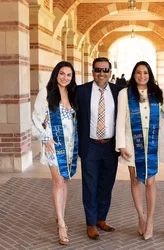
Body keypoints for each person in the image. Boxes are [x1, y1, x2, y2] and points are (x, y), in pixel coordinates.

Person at [116, 61, 164, 240]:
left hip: (152, 145)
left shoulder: (157, 92)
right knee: (135, 181)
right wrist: (121, 145)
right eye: (138, 72)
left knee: (151, 182)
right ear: (134, 75)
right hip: (132, 144)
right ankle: (141, 217)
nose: (142, 76)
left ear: (150, 75)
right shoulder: (125, 93)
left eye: (145, 72)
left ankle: (150, 221)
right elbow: (119, 120)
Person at [32, 61, 78, 245]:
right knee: (58, 181)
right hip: (53, 144)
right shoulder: (46, 92)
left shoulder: (72, 93)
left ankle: (60, 217)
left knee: (64, 180)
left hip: (70, 145)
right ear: (55, 74)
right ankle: (62, 226)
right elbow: (36, 117)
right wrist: (44, 138)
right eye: (62, 74)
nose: (65, 77)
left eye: (69, 75)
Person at [77, 57, 122, 240]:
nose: (101, 73)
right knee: (90, 185)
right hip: (91, 145)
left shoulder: (119, 92)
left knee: (106, 185)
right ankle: (90, 223)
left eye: (105, 70)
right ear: (93, 71)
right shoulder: (81, 91)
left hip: (110, 146)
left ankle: (101, 219)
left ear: (110, 72)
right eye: (98, 70)